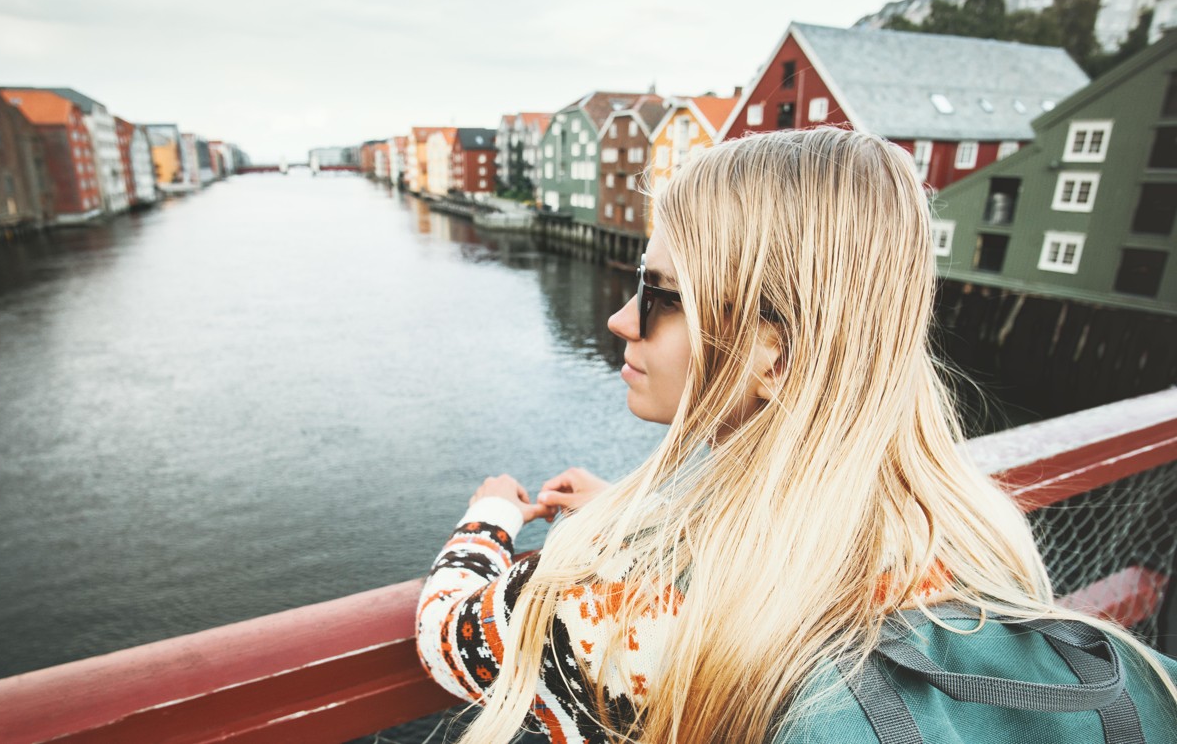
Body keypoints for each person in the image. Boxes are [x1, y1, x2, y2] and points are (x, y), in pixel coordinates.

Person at [414, 127, 1177, 744]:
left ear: (770, 354)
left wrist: (490, 520)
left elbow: (447, 635)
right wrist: (634, 515)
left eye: (657, 294)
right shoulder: (970, 531)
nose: (619, 320)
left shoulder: (622, 600)